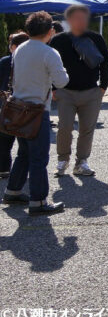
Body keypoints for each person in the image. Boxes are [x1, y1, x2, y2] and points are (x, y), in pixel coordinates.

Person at [2, 12, 69, 214]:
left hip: (18, 108)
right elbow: (62, 81)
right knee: (39, 157)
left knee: (24, 152)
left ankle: (13, 191)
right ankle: (38, 201)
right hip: (38, 110)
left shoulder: (19, 49)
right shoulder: (49, 53)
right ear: (50, 31)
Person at [49, 4, 108, 177]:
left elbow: (105, 63)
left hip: (91, 91)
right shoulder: (58, 40)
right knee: (64, 127)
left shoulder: (96, 38)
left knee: (87, 129)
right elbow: (52, 65)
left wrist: (103, 86)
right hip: (65, 92)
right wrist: (54, 88)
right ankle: (63, 160)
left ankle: (82, 161)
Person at [0, 32, 29, 178]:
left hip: (8, 105)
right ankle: (21, 171)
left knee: (4, 140)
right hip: (27, 107)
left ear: (14, 46)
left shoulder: (6, 61)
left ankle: (4, 168)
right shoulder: (32, 61)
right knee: (25, 143)